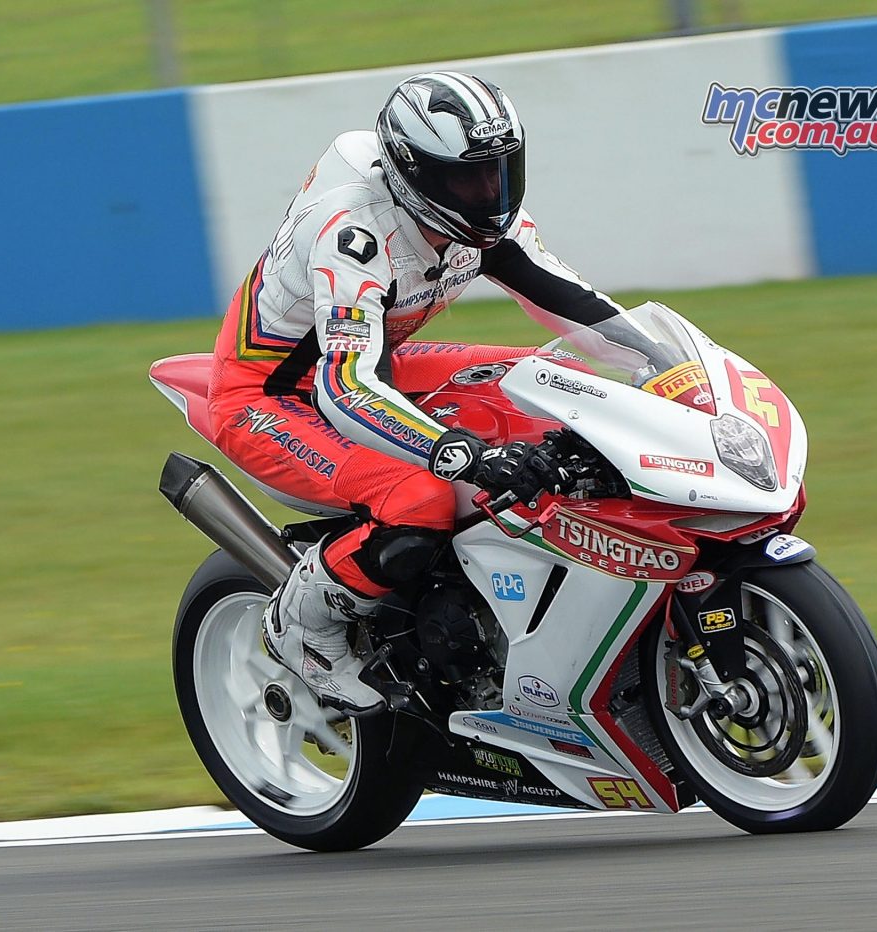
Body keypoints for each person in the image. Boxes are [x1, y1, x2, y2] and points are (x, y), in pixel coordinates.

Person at [207, 71, 627, 715]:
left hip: (380, 362)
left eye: (499, 171)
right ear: (413, 174)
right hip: (272, 395)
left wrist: (671, 364)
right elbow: (345, 388)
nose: (489, 193)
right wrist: (457, 452)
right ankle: (304, 625)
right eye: (467, 178)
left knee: (565, 389)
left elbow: (574, 304)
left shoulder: (486, 224)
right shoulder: (352, 232)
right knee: (420, 498)